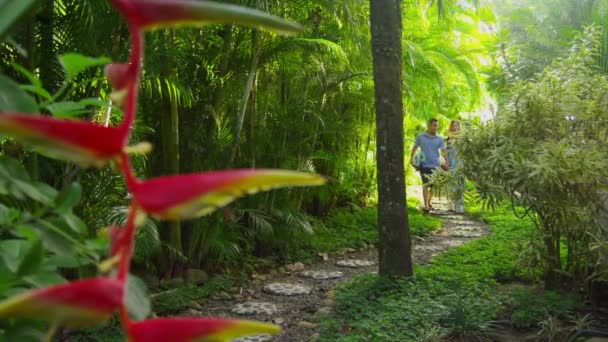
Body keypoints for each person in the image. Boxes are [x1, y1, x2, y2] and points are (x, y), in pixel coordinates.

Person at [410, 118, 449, 212]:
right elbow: (415, 148)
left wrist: (447, 162)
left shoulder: (439, 138)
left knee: (433, 186)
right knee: (425, 185)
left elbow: (443, 151)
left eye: (437, 126)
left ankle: (429, 201)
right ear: (428, 125)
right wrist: (411, 159)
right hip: (424, 165)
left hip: (436, 165)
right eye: (434, 125)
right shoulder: (420, 137)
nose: (436, 127)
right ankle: (426, 205)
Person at [447, 120, 465, 213]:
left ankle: (460, 208)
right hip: (451, 163)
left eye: (457, 126)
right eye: (453, 126)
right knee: (451, 185)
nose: (455, 127)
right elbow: (445, 151)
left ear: (459, 127)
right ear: (451, 127)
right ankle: (451, 206)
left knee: (460, 185)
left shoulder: (463, 138)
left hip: (460, 164)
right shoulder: (448, 138)